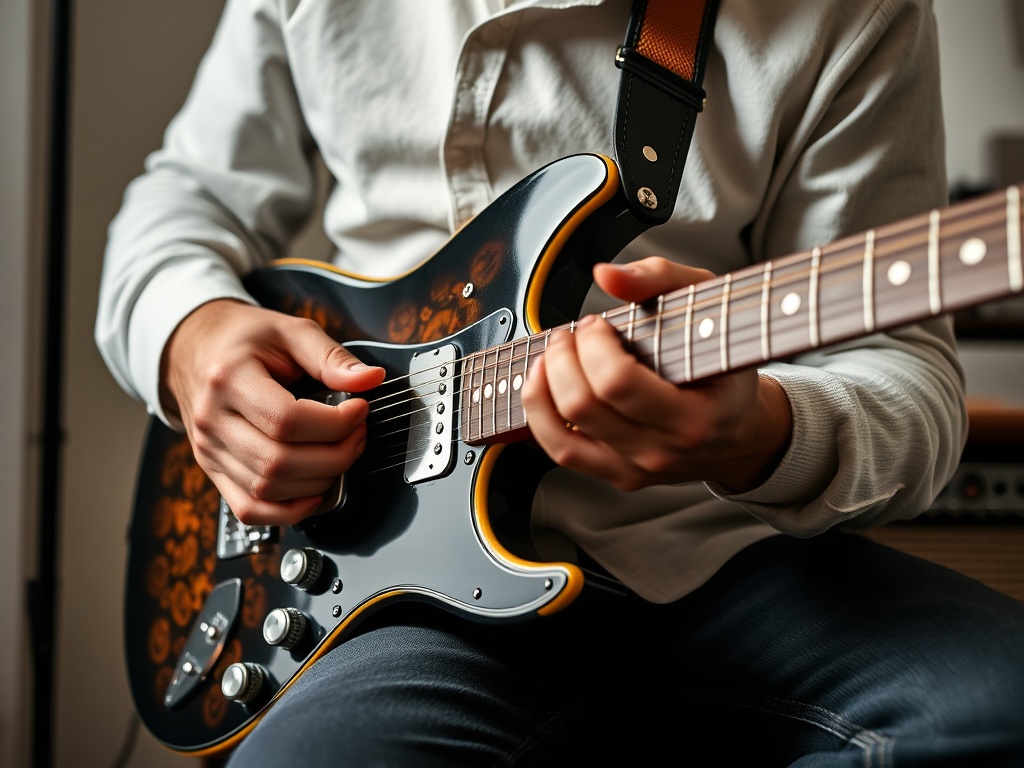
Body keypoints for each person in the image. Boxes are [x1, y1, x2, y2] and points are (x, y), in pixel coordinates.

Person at [96, 0, 1024, 765]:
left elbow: (911, 377)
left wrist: (760, 430)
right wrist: (188, 336)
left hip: (734, 556)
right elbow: (186, 196)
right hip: (387, 574)